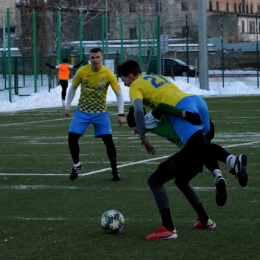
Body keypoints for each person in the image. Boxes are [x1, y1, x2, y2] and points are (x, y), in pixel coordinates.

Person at [116, 60, 247, 187]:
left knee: (198, 146)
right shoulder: (156, 76)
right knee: (203, 146)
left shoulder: (135, 86)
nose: (125, 84)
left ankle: (234, 160)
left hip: (180, 107)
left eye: (124, 80)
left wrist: (142, 136)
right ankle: (218, 175)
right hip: (196, 101)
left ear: (130, 76)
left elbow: (138, 109)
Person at [62, 48, 125, 181]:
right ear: (89, 59)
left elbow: (119, 94)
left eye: (97, 57)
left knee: (109, 142)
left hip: (100, 113)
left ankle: (114, 169)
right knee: (72, 137)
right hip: (82, 112)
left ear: (102, 58)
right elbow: (72, 88)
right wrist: (67, 107)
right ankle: (77, 165)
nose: (95, 60)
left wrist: (121, 114)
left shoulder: (108, 74)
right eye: (93, 57)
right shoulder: (82, 71)